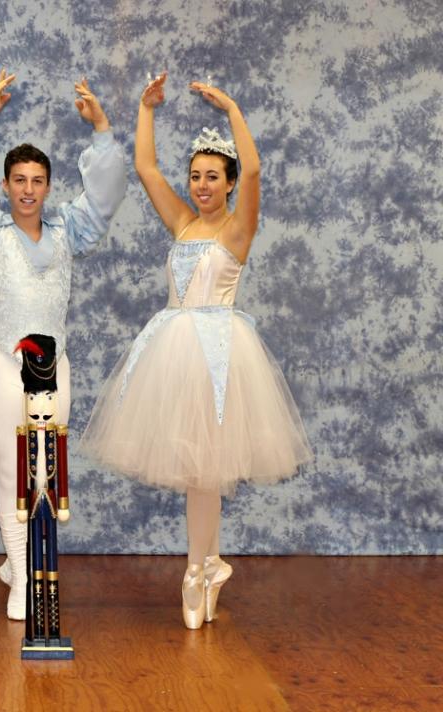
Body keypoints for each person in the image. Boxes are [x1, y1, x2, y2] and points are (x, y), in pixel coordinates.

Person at [80, 74, 312, 629]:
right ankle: (204, 566)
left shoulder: (238, 230)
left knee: (207, 470)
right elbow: (145, 169)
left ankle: (199, 570)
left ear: (229, 184)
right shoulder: (182, 223)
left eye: (213, 177)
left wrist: (231, 105)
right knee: (194, 469)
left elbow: (255, 169)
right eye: (197, 176)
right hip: (174, 354)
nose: (202, 185)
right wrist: (144, 108)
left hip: (219, 355)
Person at [0, 70, 126, 620]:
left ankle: (26, 557)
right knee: (11, 470)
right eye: (18, 180)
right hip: (2, 362)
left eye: (37, 181)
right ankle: (23, 574)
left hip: (55, 366)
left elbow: (106, 192)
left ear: (49, 187)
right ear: (4, 186)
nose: (27, 190)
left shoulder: (70, 230)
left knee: (46, 471)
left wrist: (101, 130)